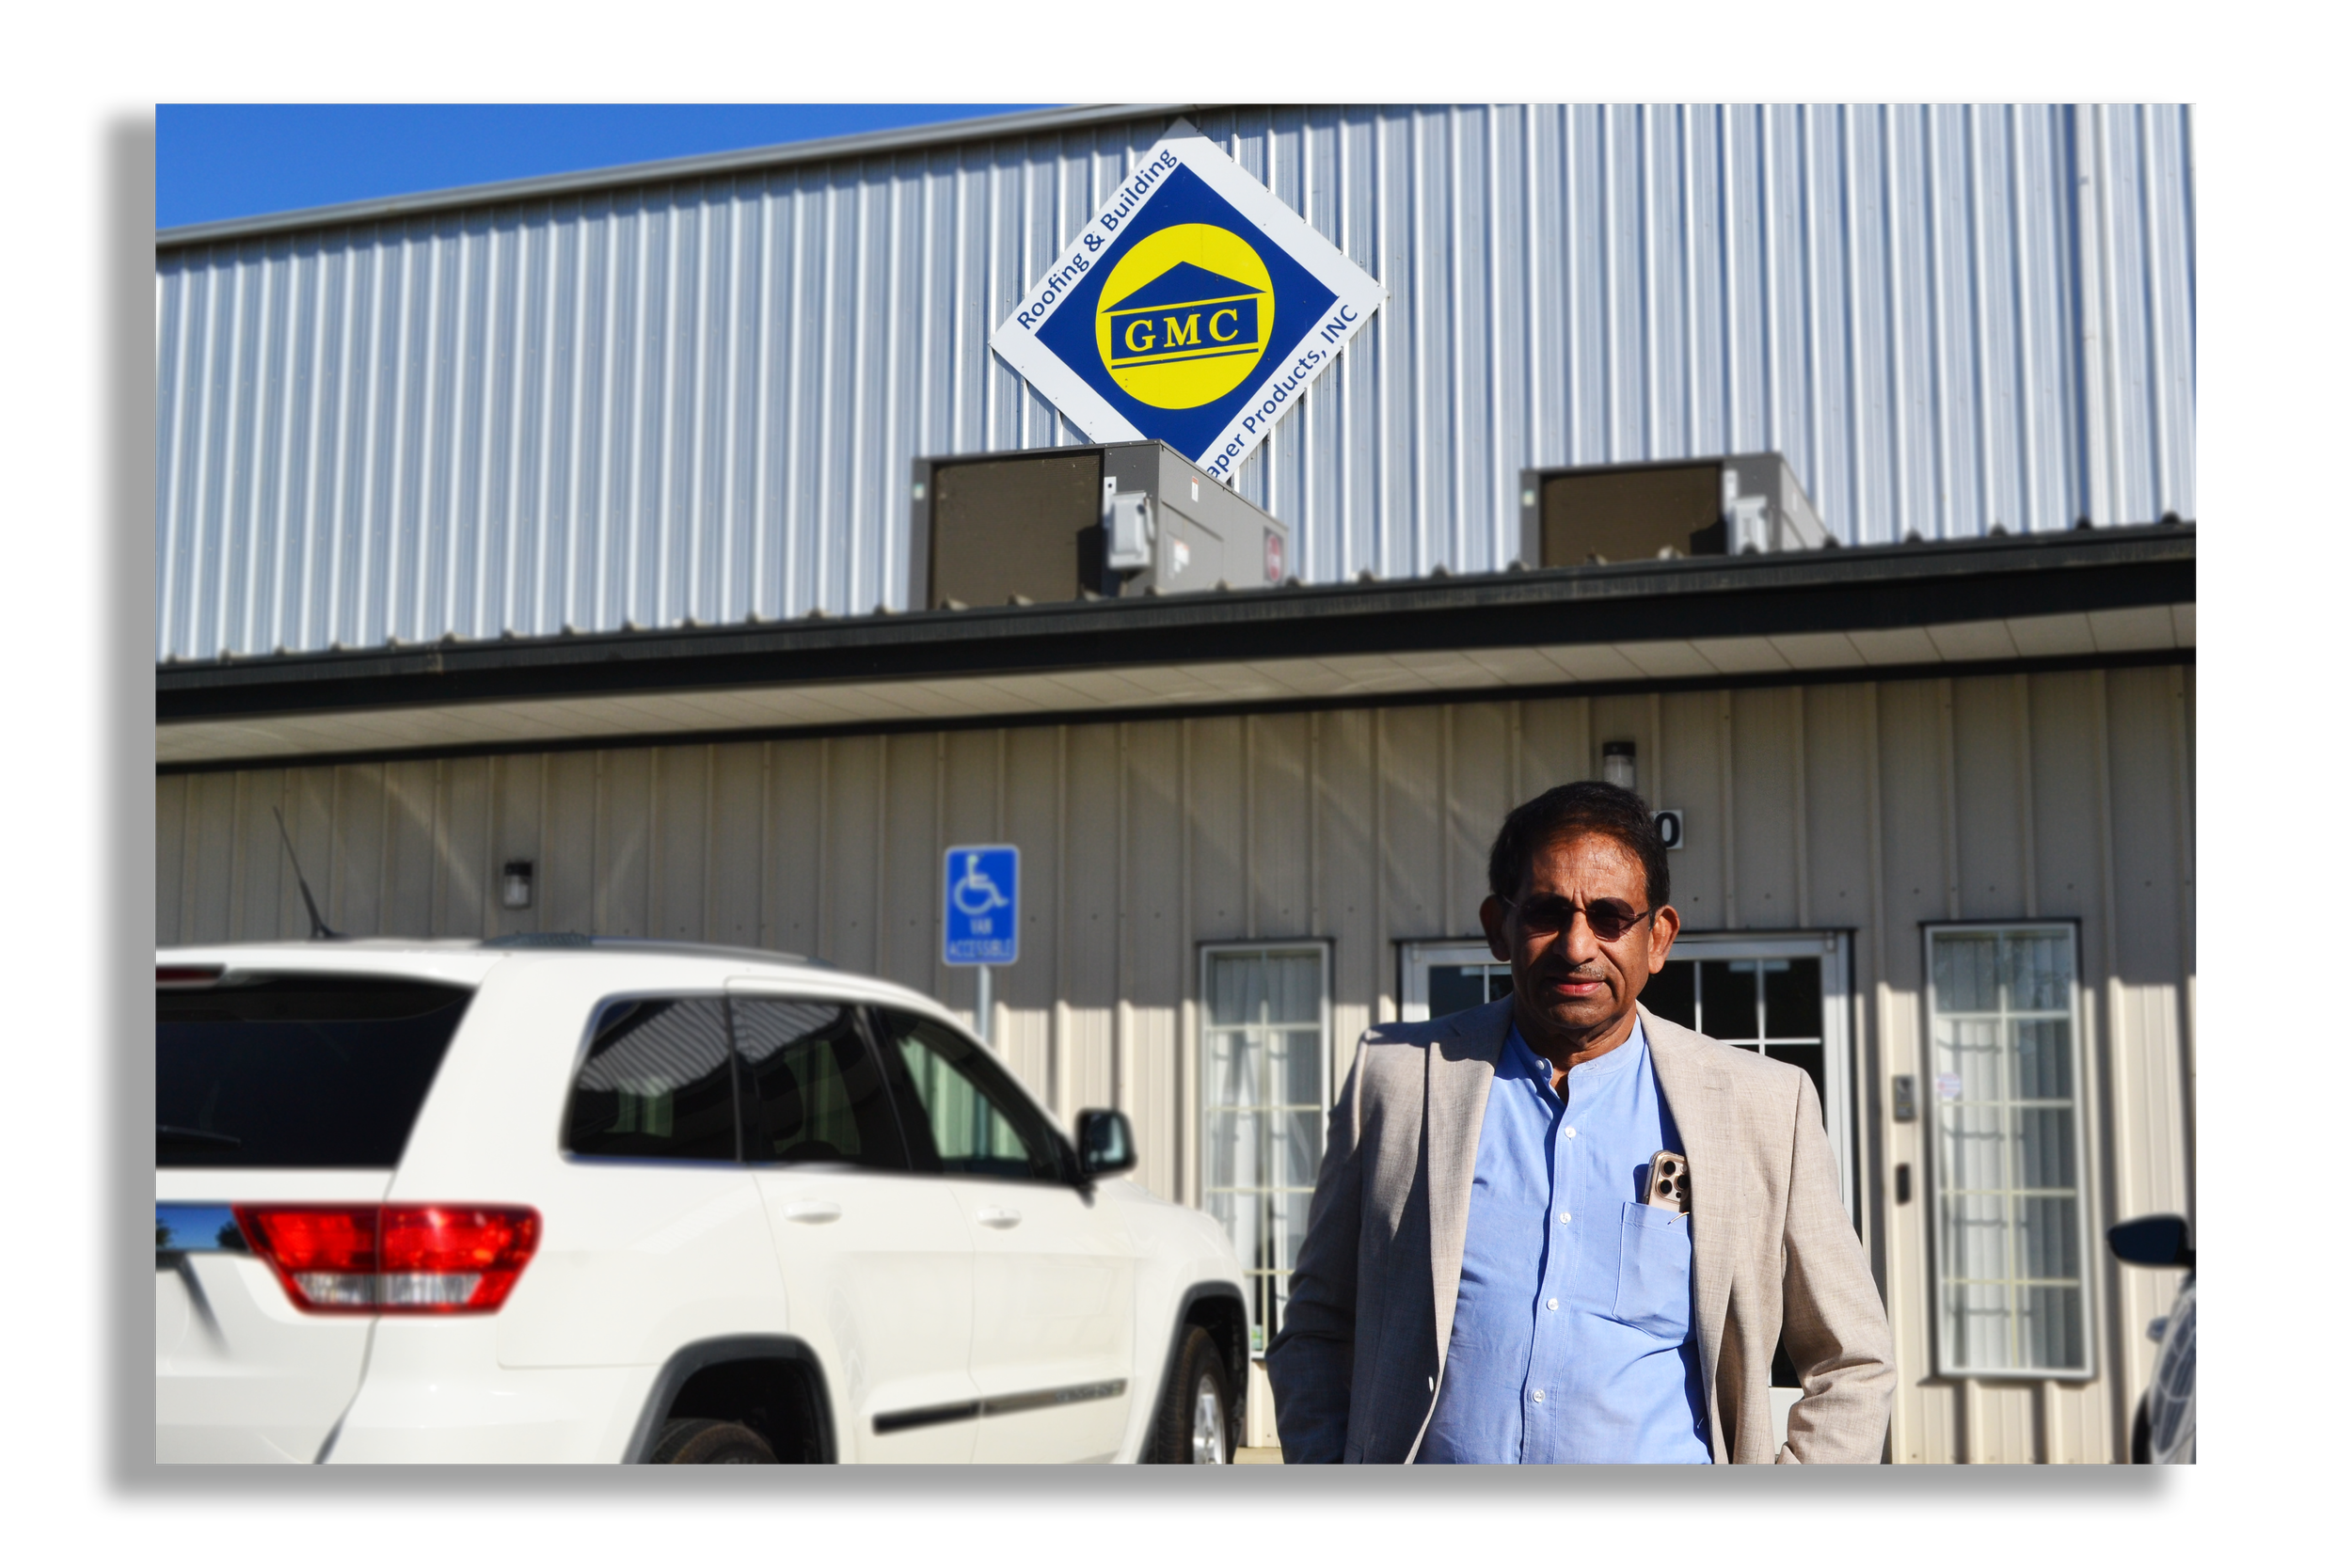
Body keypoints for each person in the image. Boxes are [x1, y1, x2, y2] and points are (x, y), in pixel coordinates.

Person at [1265, 781, 1892, 1463]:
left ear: (1658, 937)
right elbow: (1318, 1330)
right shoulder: (1397, 1081)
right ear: (1496, 926)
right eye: (1545, 912)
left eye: (1610, 916)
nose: (1575, 944)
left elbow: (1851, 1360)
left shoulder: (1763, 1105)